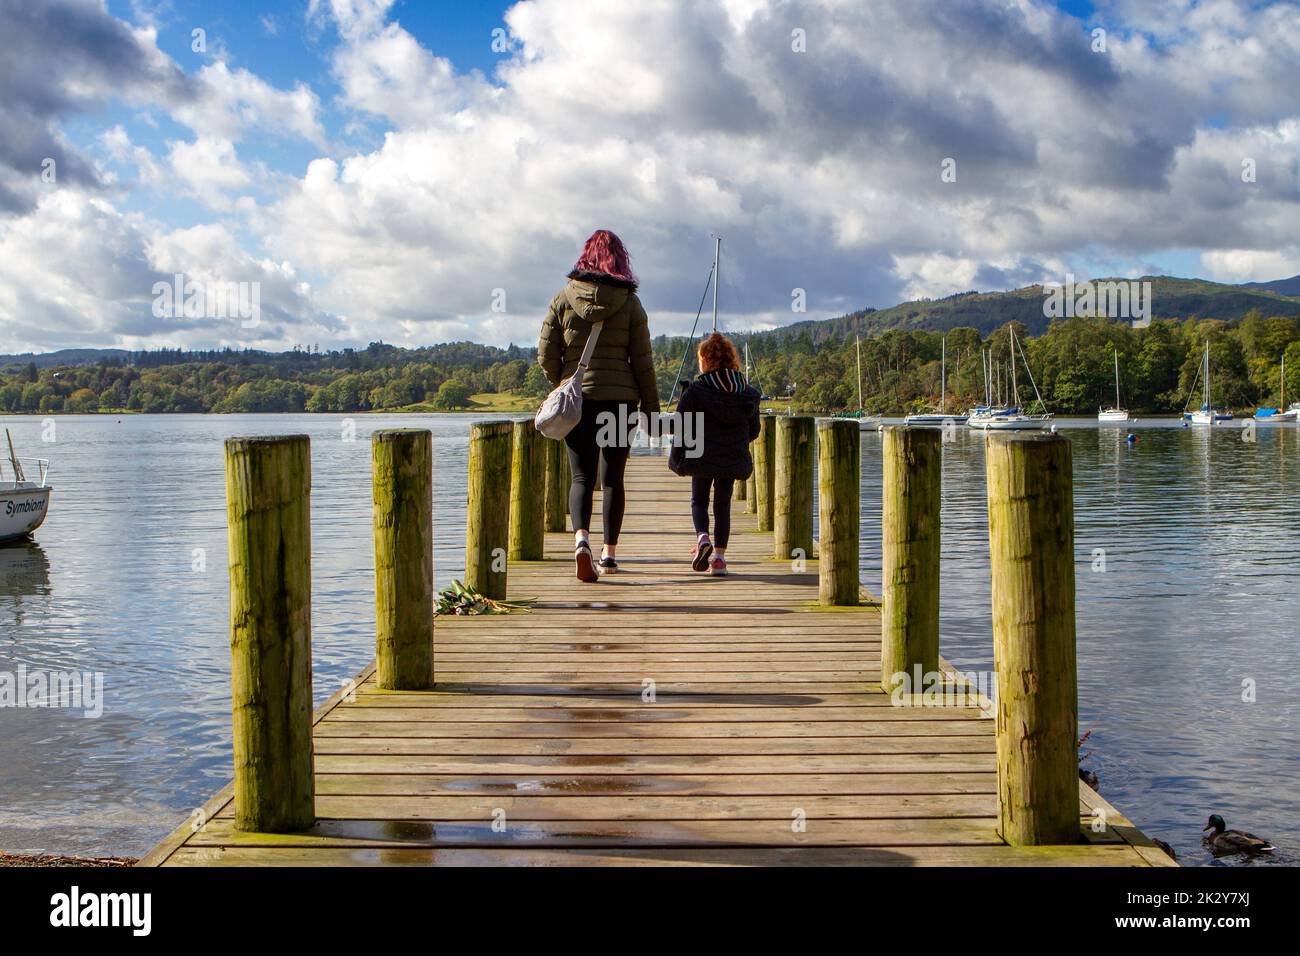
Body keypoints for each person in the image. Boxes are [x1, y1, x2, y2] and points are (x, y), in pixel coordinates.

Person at [538, 229, 659, 582]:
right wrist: (650, 410)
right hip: (620, 401)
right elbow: (643, 361)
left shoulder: (562, 299)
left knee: (581, 476)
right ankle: (608, 555)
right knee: (613, 480)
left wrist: (564, 384)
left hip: (579, 402)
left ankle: (581, 541)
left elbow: (545, 353)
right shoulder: (631, 304)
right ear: (621, 260)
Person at [668, 332, 761, 576]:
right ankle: (719, 558)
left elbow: (680, 424)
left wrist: (677, 453)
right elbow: (754, 431)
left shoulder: (696, 391)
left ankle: (702, 538)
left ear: (706, 360)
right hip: (731, 456)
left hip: (701, 455)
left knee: (699, 500)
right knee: (723, 504)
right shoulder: (747, 393)